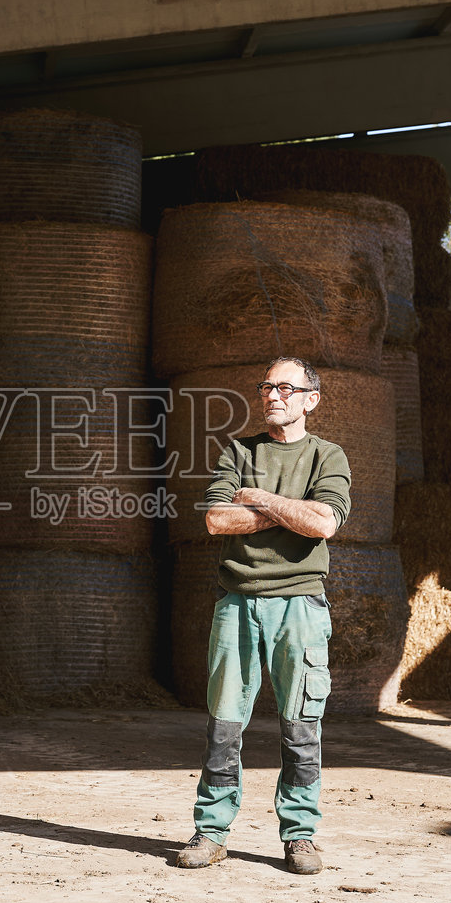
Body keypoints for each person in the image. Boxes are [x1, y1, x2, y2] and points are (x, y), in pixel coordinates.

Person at [175, 355, 350, 876]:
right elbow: (215, 519)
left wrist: (258, 498)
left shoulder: (328, 455)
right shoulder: (238, 450)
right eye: (266, 387)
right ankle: (211, 831)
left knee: (302, 723)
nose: (272, 395)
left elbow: (322, 523)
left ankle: (300, 835)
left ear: (310, 399)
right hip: (237, 602)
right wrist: (287, 511)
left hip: (301, 604)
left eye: (285, 388)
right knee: (225, 723)